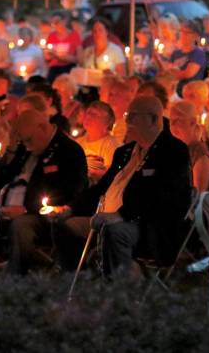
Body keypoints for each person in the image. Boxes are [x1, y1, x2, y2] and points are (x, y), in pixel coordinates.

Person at [54, 96, 192, 276]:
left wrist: (121, 215)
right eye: (127, 115)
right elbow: (100, 188)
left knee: (114, 231)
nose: (126, 121)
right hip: (106, 218)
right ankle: (79, 276)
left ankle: (120, 289)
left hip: (146, 226)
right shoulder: (125, 152)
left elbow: (160, 196)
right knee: (64, 224)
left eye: (133, 116)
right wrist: (70, 208)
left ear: (153, 119)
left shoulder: (173, 151)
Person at [0, 110, 87, 282]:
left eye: (28, 140)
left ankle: (12, 285)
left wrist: (25, 209)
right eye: (24, 141)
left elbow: (72, 193)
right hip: (3, 208)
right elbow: (0, 182)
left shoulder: (69, 151)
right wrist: (11, 151)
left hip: (39, 215)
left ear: (42, 128)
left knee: (21, 225)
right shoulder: (24, 148)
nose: (27, 145)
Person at [169, 100, 209, 194]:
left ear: (192, 122)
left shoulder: (198, 154)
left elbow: (198, 195)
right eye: (171, 121)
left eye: (178, 120)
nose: (172, 126)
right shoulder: (177, 149)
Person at [75, 101, 121, 183]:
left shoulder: (111, 144)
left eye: (94, 114)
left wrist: (89, 172)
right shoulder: (78, 142)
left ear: (107, 122)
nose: (88, 116)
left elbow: (113, 174)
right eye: (88, 112)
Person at [160, 20, 207, 96]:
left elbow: (188, 74)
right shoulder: (176, 53)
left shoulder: (198, 53)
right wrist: (157, 59)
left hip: (191, 94)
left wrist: (171, 74)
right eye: (181, 31)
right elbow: (166, 71)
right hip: (173, 93)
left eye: (186, 32)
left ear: (195, 36)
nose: (182, 34)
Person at [45, 12, 81, 81]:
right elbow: (47, 57)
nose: (55, 25)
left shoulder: (74, 35)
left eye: (57, 22)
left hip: (69, 67)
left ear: (64, 21)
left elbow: (79, 59)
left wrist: (65, 57)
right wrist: (47, 55)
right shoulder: (51, 36)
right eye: (53, 23)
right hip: (54, 68)